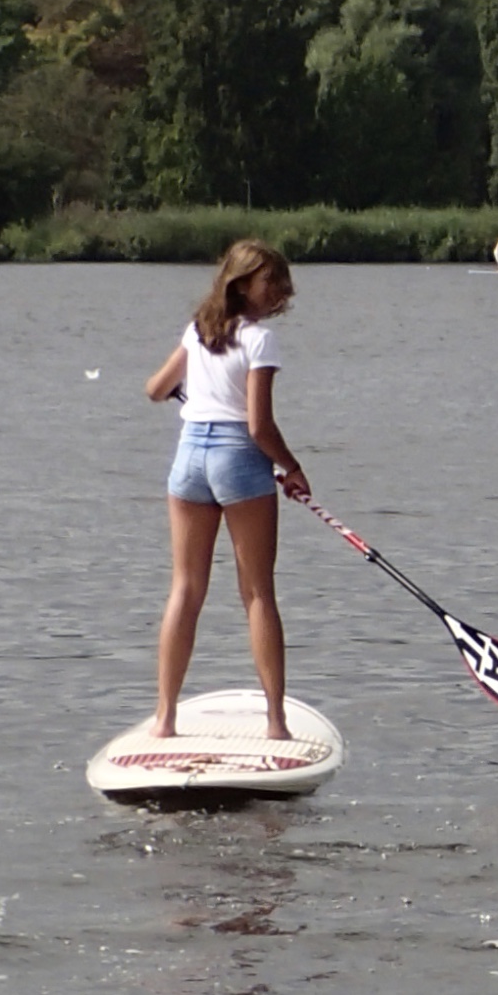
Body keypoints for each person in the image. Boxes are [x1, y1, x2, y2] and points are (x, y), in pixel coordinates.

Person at [142, 240, 309, 741]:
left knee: (186, 589)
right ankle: (276, 724)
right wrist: (293, 468)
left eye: (282, 285)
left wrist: (194, 394)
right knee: (258, 594)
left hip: (189, 457)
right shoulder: (260, 340)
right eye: (271, 284)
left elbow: (154, 389)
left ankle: (165, 720)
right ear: (241, 284)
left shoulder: (198, 332)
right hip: (238, 457)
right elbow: (259, 427)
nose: (280, 295)